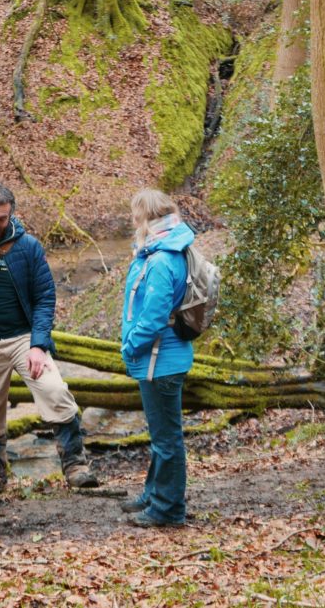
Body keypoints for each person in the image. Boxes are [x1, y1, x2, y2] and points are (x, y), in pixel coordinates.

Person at [0, 184, 98, 490]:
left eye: (1, 218)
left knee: (55, 390)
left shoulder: (28, 247)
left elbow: (45, 297)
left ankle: (76, 466)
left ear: (11, 214)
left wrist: (39, 345)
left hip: (24, 339)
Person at [119, 188, 194, 528]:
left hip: (159, 359)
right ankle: (154, 492)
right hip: (160, 357)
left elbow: (153, 315)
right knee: (160, 434)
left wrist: (130, 344)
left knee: (167, 439)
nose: (133, 222)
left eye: (136, 216)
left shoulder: (162, 259)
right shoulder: (160, 250)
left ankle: (168, 509)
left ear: (148, 219)